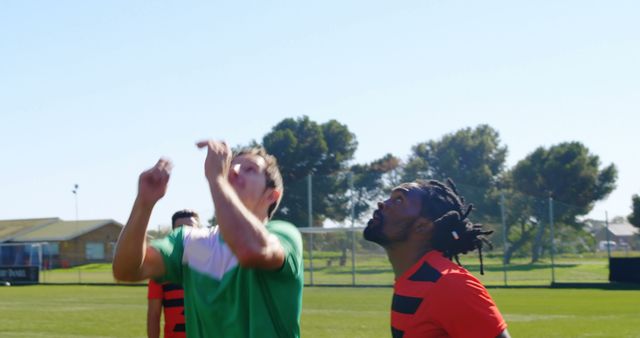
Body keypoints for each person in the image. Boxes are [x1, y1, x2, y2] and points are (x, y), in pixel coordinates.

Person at [113, 141, 303, 338]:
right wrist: (144, 204)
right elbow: (126, 270)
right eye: (231, 166)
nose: (234, 171)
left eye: (250, 169)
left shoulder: (284, 235)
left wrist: (217, 179)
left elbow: (249, 249)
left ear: (272, 196)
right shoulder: (197, 246)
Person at [364, 179, 510, 338]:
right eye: (390, 198)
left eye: (399, 200)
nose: (382, 203)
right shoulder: (410, 278)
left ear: (422, 226)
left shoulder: (451, 285)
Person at [147, 209, 201, 338]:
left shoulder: (215, 266)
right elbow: (154, 315)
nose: (186, 234)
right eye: (180, 230)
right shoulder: (160, 270)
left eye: (191, 229)